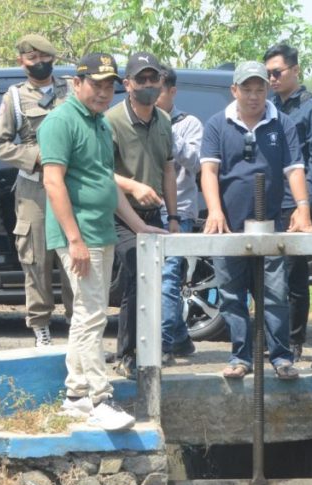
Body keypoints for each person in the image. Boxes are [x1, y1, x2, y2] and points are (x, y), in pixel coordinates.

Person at [38, 52, 167, 431]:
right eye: (95, 84)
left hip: (101, 230)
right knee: (92, 315)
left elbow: (105, 182)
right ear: (76, 83)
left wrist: (139, 226)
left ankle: (77, 394)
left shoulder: (98, 123)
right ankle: (99, 397)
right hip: (82, 235)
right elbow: (52, 182)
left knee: (87, 313)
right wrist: (74, 239)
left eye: (109, 85)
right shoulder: (61, 121)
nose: (103, 92)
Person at [200, 61, 312, 381]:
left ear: (267, 89)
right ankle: (240, 356)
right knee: (231, 294)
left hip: (270, 224)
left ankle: (281, 357)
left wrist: (303, 207)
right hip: (229, 226)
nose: (253, 96)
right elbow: (209, 171)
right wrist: (214, 210)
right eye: (247, 90)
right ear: (234, 90)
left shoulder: (282, 124)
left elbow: (294, 169)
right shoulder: (217, 124)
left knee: (275, 294)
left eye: (259, 89)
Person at [0, 34, 73, 347]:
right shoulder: (14, 97)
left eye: (44, 57)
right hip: (35, 189)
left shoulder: (72, 89)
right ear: (21, 62)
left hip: (72, 186)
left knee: (75, 258)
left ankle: (79, 330)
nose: (39, 63)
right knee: (36, 260)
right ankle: (41, 330)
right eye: (32, 58)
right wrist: (37, 157)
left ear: (53, 57)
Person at [106, 52, 179, 379]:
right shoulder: (111, 121)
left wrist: (173, 216)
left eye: (153, 79)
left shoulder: (164, 120)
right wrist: (133, 186)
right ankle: (127, 355)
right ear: (127, 84)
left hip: (154, 214)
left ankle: (147, 349)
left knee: (153, 282)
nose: (148, 85)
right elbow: (100, 172)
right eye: (141, 79)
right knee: (138, 275)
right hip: (120, 212)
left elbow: (168, 169)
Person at [264, 43, 312, 361]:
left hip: (297, 206)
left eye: (277, 72)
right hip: (269, 203)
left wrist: (302, 205)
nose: (272, 79)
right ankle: (271, 337)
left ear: (295, 70)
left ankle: (293, 341)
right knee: (268, 275)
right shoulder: (269, 108)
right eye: (268, 74)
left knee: (293, 276)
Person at [155, 66, 201, 365]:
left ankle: (162, 344)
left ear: (172, 91)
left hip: (178, 211)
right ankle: (181, 339)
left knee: (168, 278)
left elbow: (197, 162)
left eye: (157, 88)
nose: (150, 93)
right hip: (145, 211)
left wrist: (167, 130)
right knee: (152, 278)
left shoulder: (189, 124)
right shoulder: (140, 121)